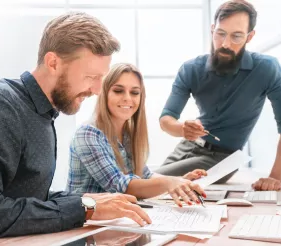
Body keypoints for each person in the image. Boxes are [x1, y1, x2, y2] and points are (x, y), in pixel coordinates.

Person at [0, 13, 151, 245]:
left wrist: (92, 201)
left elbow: (27, 199)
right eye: (90, 77)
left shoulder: (43, 114)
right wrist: (84, 207)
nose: (97, 90)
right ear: (53, 63)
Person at [156, 0, 281, 191]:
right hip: (187, 146)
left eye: (237, 36)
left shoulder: (267, 69)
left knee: (151, 184)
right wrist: (182, 128)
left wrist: (276, 177)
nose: (225, 44)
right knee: (146, 182)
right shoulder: (191, 69)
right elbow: (166, 118)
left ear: (250, 37)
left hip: (224, 159)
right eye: (220, 34)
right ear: (212, 29)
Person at [66, 63, 207, 207]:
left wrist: (180, 181)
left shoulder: (127, 135)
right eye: (118, 91)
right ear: (104, 93)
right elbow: (121, 186)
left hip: (117, 218)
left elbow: (146, 176)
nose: (127, 98)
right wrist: (169, 183)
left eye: (134, 92)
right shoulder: (88, 134)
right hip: (87, 222)